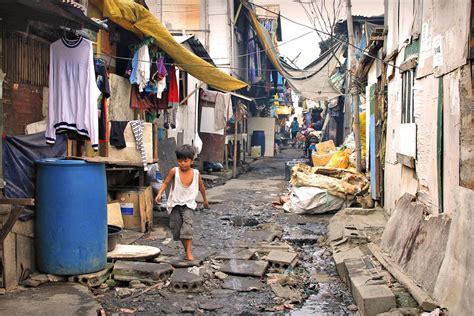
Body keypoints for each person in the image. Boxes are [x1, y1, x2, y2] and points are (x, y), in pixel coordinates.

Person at [155, 144, 209, 261]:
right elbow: (165, 183)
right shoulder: (174, 171)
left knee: (187, 228)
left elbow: (201, 187)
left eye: (185, 161)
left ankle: (189, 253)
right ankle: (186, 251)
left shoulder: (195, 173)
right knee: (178, 230)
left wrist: (205, 199)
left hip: (188, 205)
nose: (182, 163)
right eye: (180, 161)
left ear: (191, 160)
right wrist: (160, 193)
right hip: (175, 204)